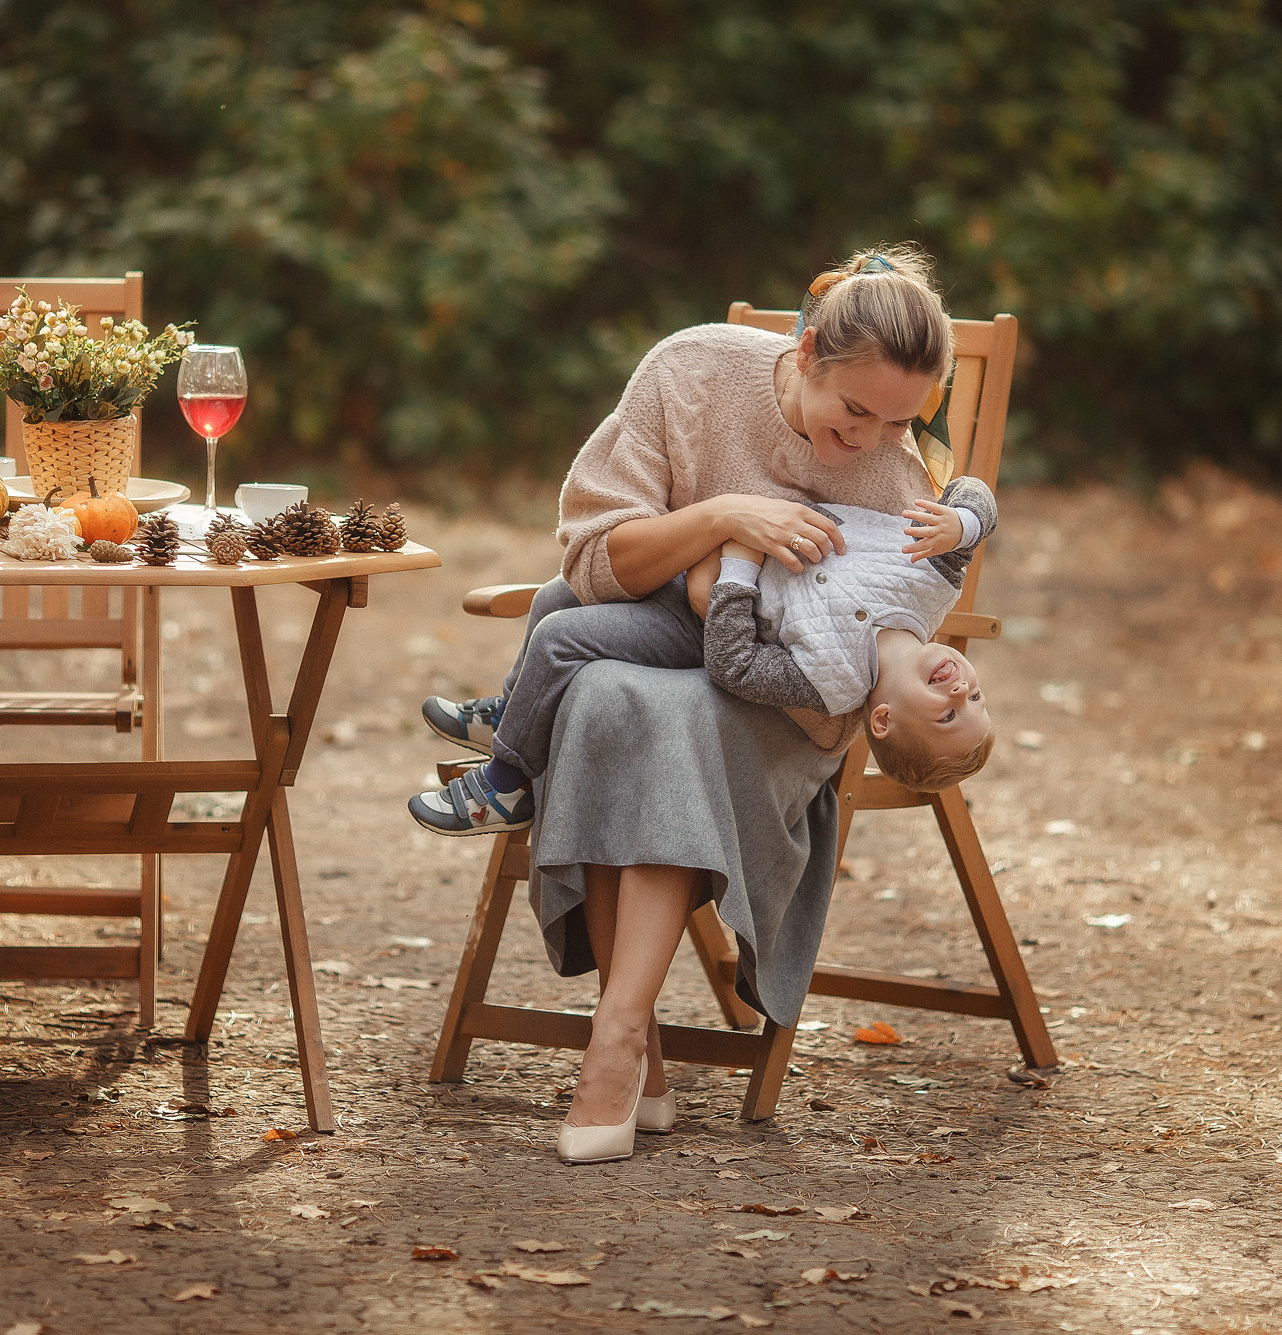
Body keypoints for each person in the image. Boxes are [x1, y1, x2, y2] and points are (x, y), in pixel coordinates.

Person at [408, 246, 970, 1163]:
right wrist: (722, 518)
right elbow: (591, 565)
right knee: (600, 695)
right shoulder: (692, 371)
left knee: (639, 710)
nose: (869, 438)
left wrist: (738, 611)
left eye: (900, 420)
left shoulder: (896, 478)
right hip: (657, 637)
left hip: (779, 714)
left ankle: (617, 1039)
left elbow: (856, 676)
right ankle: (632, 1042)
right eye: (854, 407)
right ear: (808, 346)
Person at [694, 478, 998, 792]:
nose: (961, 690)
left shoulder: (826, 686)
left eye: (948, 716)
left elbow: (733, 666)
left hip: (725, 542)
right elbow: (975, 491)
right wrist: (963, 525)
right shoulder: (937, 582)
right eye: (976, 697)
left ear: (883, 720)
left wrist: (738, 564)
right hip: (799, 481)